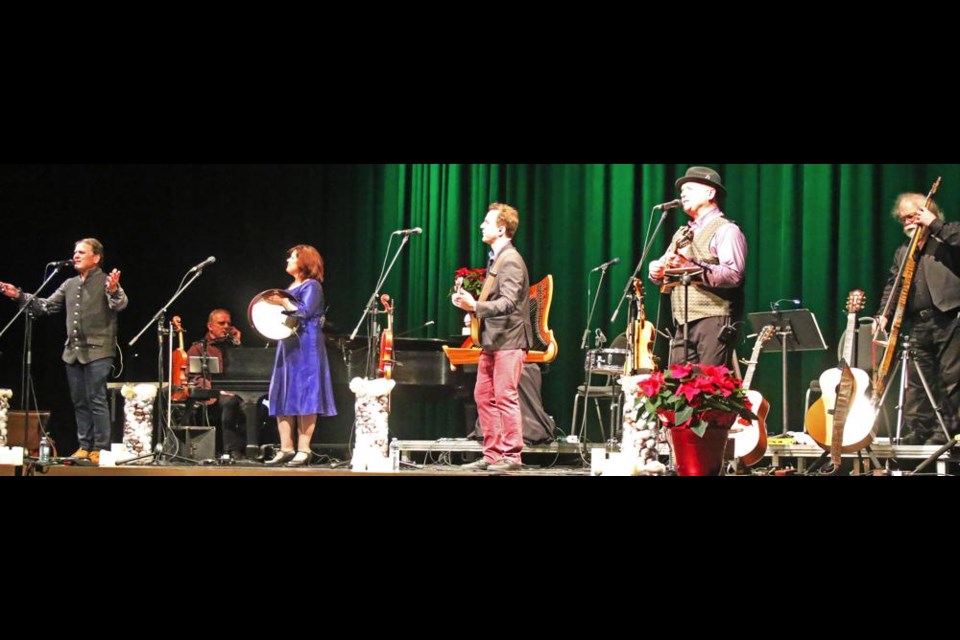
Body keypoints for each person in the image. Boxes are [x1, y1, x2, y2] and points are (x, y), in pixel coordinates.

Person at [0, 238, 127, 464]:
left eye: (81, 252)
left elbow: (120, 304)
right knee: (79, 401)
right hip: (73, 352)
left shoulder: (106, 282)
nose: (75, 255)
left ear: (96, 257)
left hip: (99, 351)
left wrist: (114, 290)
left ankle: (100, 447)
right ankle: (84, 445)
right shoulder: (69, 284)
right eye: (75, 252)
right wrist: (18, 295)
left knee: (96, 399)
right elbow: (46, 306)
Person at [452, 203, 534, 471]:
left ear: (501, 228)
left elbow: (509, 302)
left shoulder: (510, 259)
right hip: (494, 339)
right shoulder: (497, 258)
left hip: (509, 340)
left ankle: (512, 456)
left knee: (505, 396)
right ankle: (493, 454)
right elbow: (495, 301)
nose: (481, 226)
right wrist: (472, 309)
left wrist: (476, 306)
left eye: (486, 222)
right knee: (483, 395)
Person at [876, 193, 960, 445]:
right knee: (916, 379)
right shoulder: (903, 251)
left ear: (928, 212)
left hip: (950, 318)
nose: (907, 223)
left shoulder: (947, 236)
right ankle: (919, 430)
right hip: (919, 323)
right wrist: (884, 314)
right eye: (903, 219)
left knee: (951, 378)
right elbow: (894, 284)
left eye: (912, 216)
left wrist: (935, 224)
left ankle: (946, 432)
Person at [648, 166, 747, 367]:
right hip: (682, 322)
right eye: (682, 191)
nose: (683, 194)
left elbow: (734, 275)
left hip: (713, 318)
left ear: (711, 193)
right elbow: (668, 267)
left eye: (690, 189)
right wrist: (657, 270)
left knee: (708, 388)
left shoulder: (726, 229)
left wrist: (691, 266)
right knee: (678, 389)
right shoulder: (682, 233)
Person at [262, 245, 337, 466]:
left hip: (307, 346)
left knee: (306, 393)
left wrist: (283, 302)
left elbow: (304, 312)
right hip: (288, 344)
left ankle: (304, 449)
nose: (288, 261)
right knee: (284, 392)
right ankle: (286, 447)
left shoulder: (312, 285)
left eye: (293, 257)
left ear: (304, 261)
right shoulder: (292, 286)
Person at [186, 308, 253, 460]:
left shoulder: (233, 346)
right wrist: (217, 390)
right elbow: (193, 377)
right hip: (214, 395)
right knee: (229, 402)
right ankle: (232, 450)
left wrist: (237, 342)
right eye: (221, 323)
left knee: (252, 406)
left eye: (228, 323)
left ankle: (251, 449)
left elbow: (246, 367)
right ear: (210, 326)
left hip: (237, 393)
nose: (226, 327)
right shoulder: (198, 348)